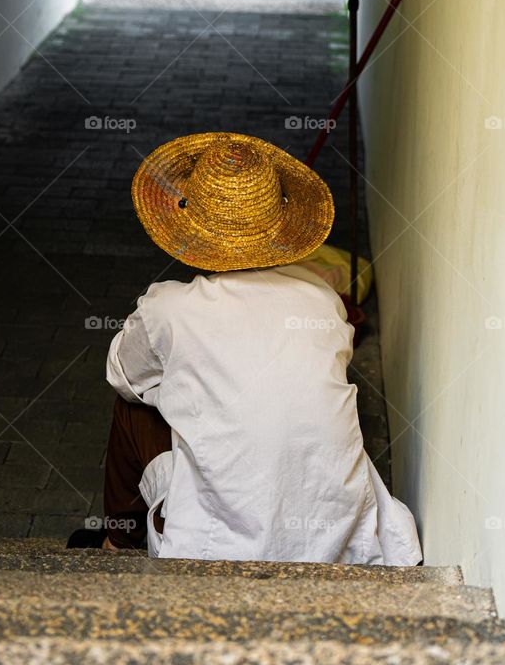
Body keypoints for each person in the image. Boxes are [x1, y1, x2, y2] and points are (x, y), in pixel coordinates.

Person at [67, 132, 422, 565]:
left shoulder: (168, 307)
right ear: (278, 226)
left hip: (215, 545)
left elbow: (122, 375)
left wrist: (176, 382)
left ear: (190, 227)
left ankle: (116, 545)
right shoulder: (323, 300)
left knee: (134, 407)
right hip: (339, 533)